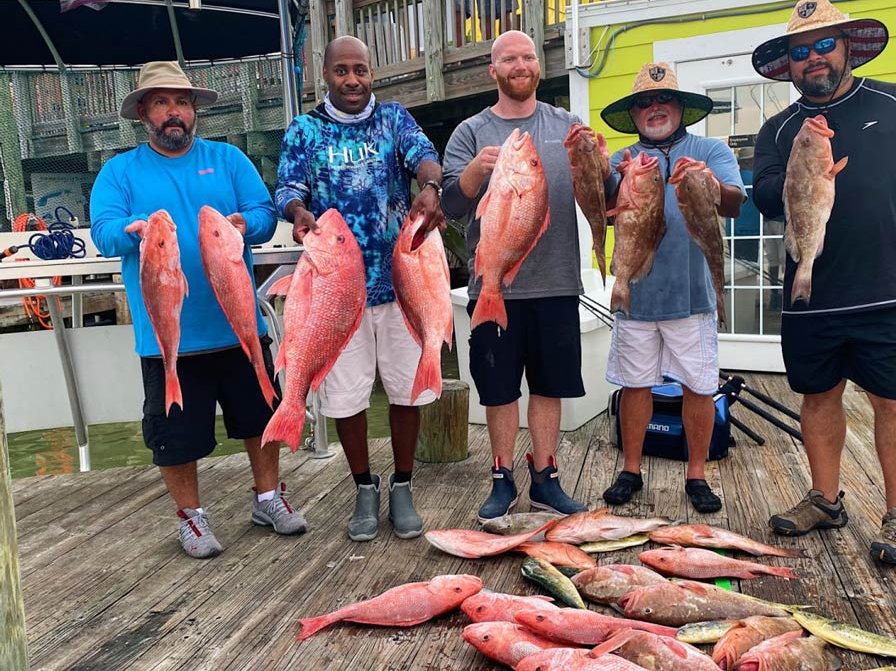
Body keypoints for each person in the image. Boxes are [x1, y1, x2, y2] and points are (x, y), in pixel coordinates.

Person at [751, 0, 896, 565]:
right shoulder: (779, 129)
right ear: (788, 65)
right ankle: (826, 500)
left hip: (893, 288)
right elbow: (764, 199)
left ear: (847, 48)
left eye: (823, 46)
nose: (813, 59)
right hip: (813, 293)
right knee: (816, 397)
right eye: (800, 52)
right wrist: (801, 166)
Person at [90, 61, 307, 560]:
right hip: (168, 337)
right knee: (175, 436)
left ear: (194, 112)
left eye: (182, 102)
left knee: (262, 416)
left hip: (239, 328)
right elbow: (102, 229)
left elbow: (262, 211)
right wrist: (130, 231)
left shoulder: (228, 159)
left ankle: (268, 497)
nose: (174, 112)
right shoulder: (119, 171)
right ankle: (191, 516)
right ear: (143, 112)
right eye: (163, 102)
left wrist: (242, 224)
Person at [276, 36, 445, 543]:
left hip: (401, 283)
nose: (353, 80)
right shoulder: (305, 129)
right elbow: (288, 189)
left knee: (405, 389)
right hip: (335, 290)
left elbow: (425, 156)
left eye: (362, 70)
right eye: (342, 71)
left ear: (373, 73)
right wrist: (297, 214)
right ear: (325, 74)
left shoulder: (393, 119)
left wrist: (431, 187)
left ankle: (402, 485)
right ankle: (363, 487)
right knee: (347, 397)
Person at [441, 30, 588, 521]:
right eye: (509, 58)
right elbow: (450, 203)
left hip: (557, 283)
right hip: (493, 284)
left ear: (539, 67)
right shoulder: (470, 131)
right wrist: (474, 175)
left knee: (548, 386)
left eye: (528, 57)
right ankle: (502, 475)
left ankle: (545, 477)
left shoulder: (567, 124)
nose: (520, 65)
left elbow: (598, 187)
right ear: (493, 70)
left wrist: (600, 159)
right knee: (499, 388)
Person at [598, 63, 745, 514]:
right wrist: (608, 176)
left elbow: (736, 203)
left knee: (699, 387)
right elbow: (600, 208)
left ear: (680, 107)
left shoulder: (710, 150)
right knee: (634, 385)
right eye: (644, 102)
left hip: (692, 295)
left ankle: (696, 473)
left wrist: (710, 182)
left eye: (663, 100)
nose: (654, 108)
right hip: (635, 293)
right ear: (634, 113)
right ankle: (631, 468)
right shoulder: (621, 161)